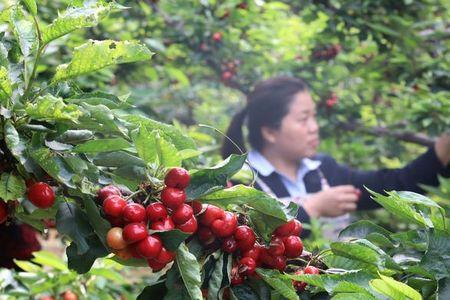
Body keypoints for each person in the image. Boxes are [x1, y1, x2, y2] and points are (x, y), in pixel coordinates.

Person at [222, 76, 450, 239]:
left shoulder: (324, 171)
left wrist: (440, 153)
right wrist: (313, 208)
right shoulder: (240, 181)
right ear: (270, 131)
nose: (314, 127)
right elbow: (250, 237)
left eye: (314, 117)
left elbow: (394, 185)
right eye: (303, 119)